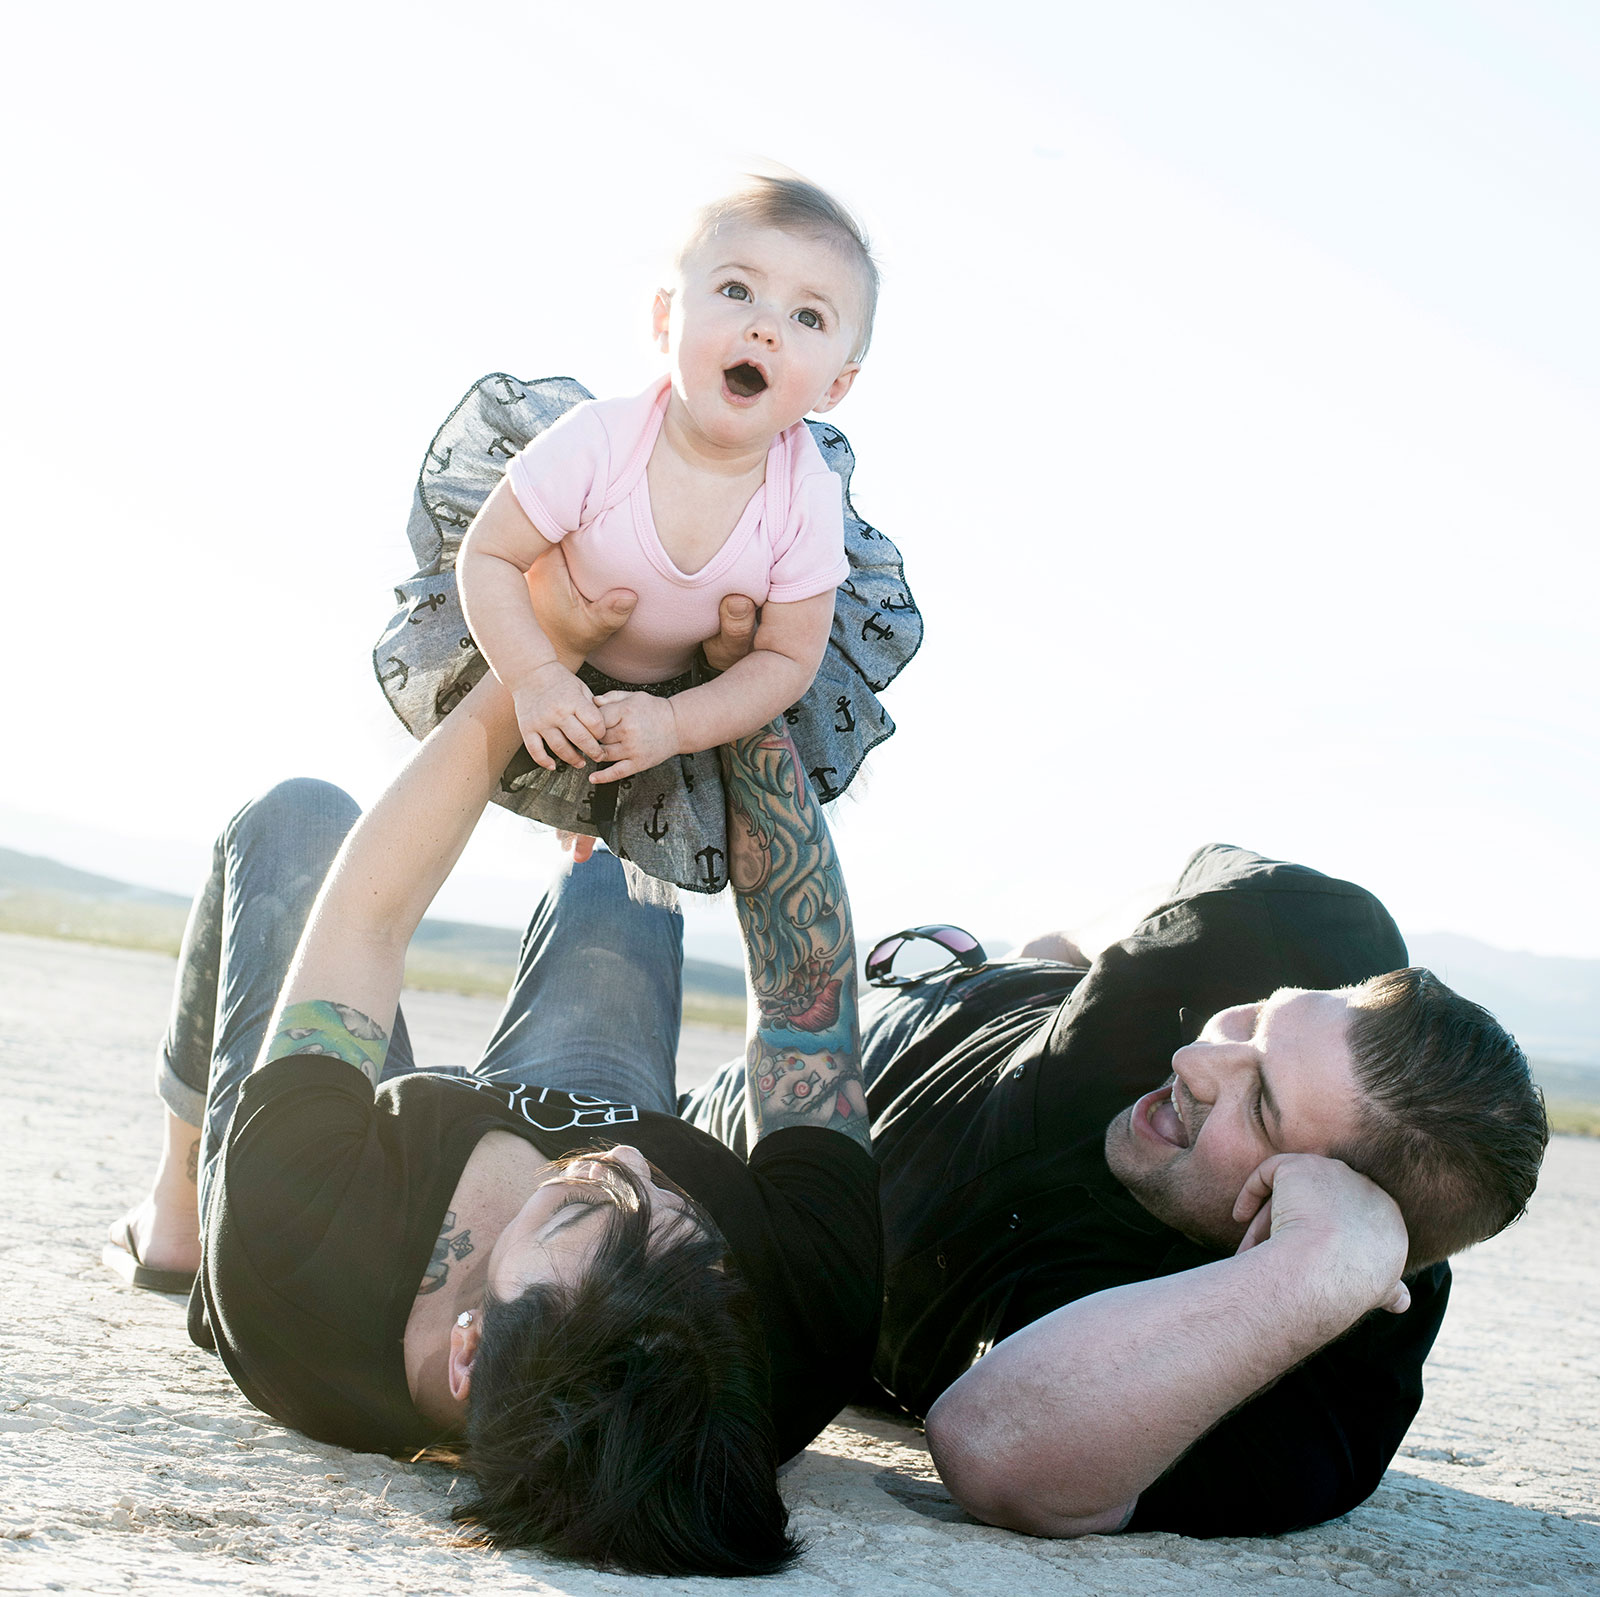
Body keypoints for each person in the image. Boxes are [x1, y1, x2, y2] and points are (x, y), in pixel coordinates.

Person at [101, 574, 881, 1576]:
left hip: (354, 1162)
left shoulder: (295, 1268)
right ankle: (592, 855)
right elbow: (800, 1002)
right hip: (561, 1085)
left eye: (583, 1209)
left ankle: (176, 1206)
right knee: (623, 876)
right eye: (685, 1213)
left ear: (468, 1350)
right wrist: (749, 699)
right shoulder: (800, 1322)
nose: (626, 1158)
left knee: (297, 823)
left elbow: (365, 926)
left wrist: (529, 662)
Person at [684, 842, 1549, 1539]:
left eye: (1262, 1105)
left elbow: (992, 1446)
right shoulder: (1321, 929)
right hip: (929, 1003)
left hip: (764, 1145)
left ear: (1314, 1199)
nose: (1195, 1060)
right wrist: (1041, 955)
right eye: (1260, 1017)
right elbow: (1169, 907)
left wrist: (1307, 1271)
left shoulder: (1329, 1391)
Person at [373, 174, 921, 897]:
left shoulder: (807, 496)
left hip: (685, 686)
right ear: (665, 321)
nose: (765, 327)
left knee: (711, 759)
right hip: (541, 641)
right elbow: (493, 553)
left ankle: (626, 876)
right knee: (482, 751)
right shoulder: (600, 441)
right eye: (736, 290)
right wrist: (536, 676)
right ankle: (409, 874)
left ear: (833, 390)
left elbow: (788, 658)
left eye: (808, 318)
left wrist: (675, 723)